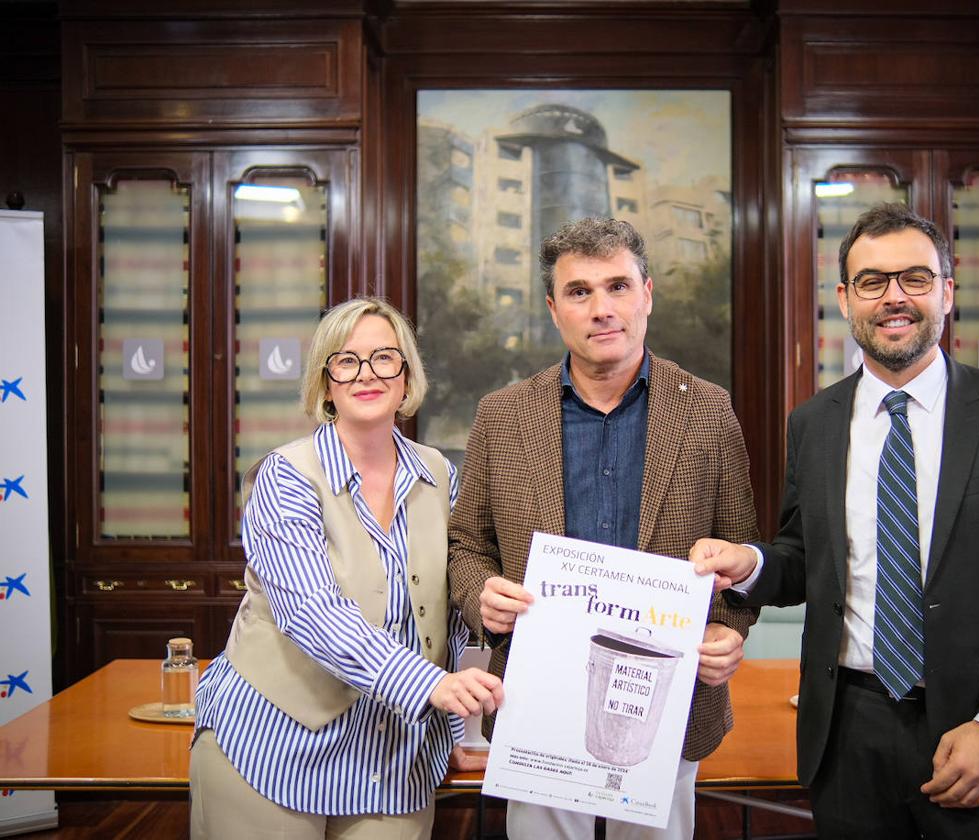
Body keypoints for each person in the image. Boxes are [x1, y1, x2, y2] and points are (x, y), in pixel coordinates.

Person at [690, 203, 979, 839]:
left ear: (946, 290)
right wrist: (756, 564)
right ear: (844, 298)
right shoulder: (814, 423)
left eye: (914, 277)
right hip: (847, 734)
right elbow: (806, 557)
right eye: (872, 281)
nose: (894, 298)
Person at [447, 217, 759, 840]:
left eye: (617, 286)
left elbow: (737, 554)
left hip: (667, 700)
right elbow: (466, 547)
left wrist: (727, 633)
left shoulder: (708, 410)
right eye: (579, 291)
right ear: (553, 308)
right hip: (538, 700)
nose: (601, 308)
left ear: (647, 294)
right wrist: (478, 593)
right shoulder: (501, 416)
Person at [190, 297, 504, 840]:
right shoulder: (284, 477)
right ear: (325, 380)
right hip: (273, 749)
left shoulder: (440, 475)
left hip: (394, 760)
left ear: (406, 377)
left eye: (385, 358)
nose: (367, 374)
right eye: (346, 360)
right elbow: (313, 614)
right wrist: (433, 686)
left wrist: (459, 723)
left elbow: (451, 601)